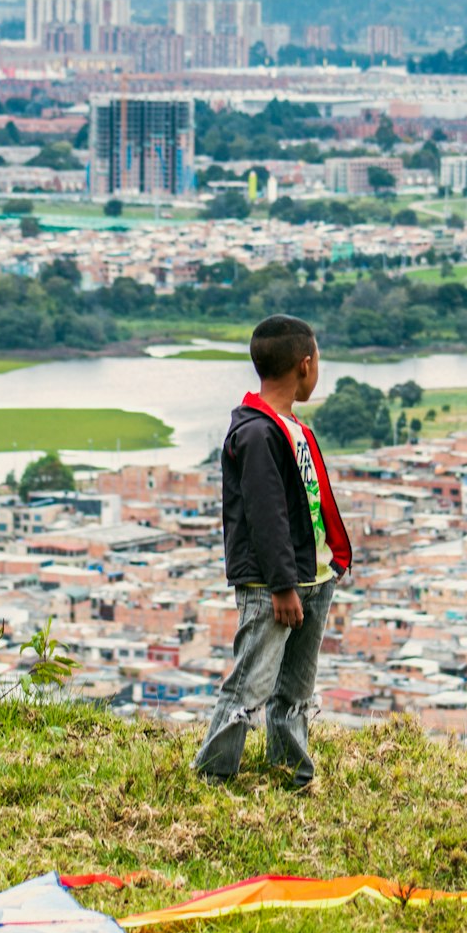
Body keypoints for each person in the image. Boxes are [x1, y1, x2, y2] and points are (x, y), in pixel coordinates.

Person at [193, 313, 352, 787]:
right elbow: (266, 516)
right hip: (274, 584)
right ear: (306, 365)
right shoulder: (257, 433)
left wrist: (330, 562)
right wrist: (283, 585)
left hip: (313, 574)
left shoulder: (288, 427)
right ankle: (213, 774)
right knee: (251, 684)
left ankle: (291, 769)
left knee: (296, 687)